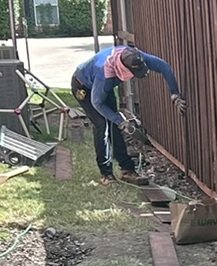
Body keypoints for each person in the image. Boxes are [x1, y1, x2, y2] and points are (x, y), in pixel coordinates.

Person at [69, 44, 185, 181]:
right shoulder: (105, 74)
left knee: (114, 126)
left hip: (101, 86)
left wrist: (175, 95)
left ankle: (127, 170)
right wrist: (121, 121)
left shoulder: (134, 56)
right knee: (102, 124)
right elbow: (97, 103)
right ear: (125, 69)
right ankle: (106, 174)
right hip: (83, 86)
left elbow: (163, 66)